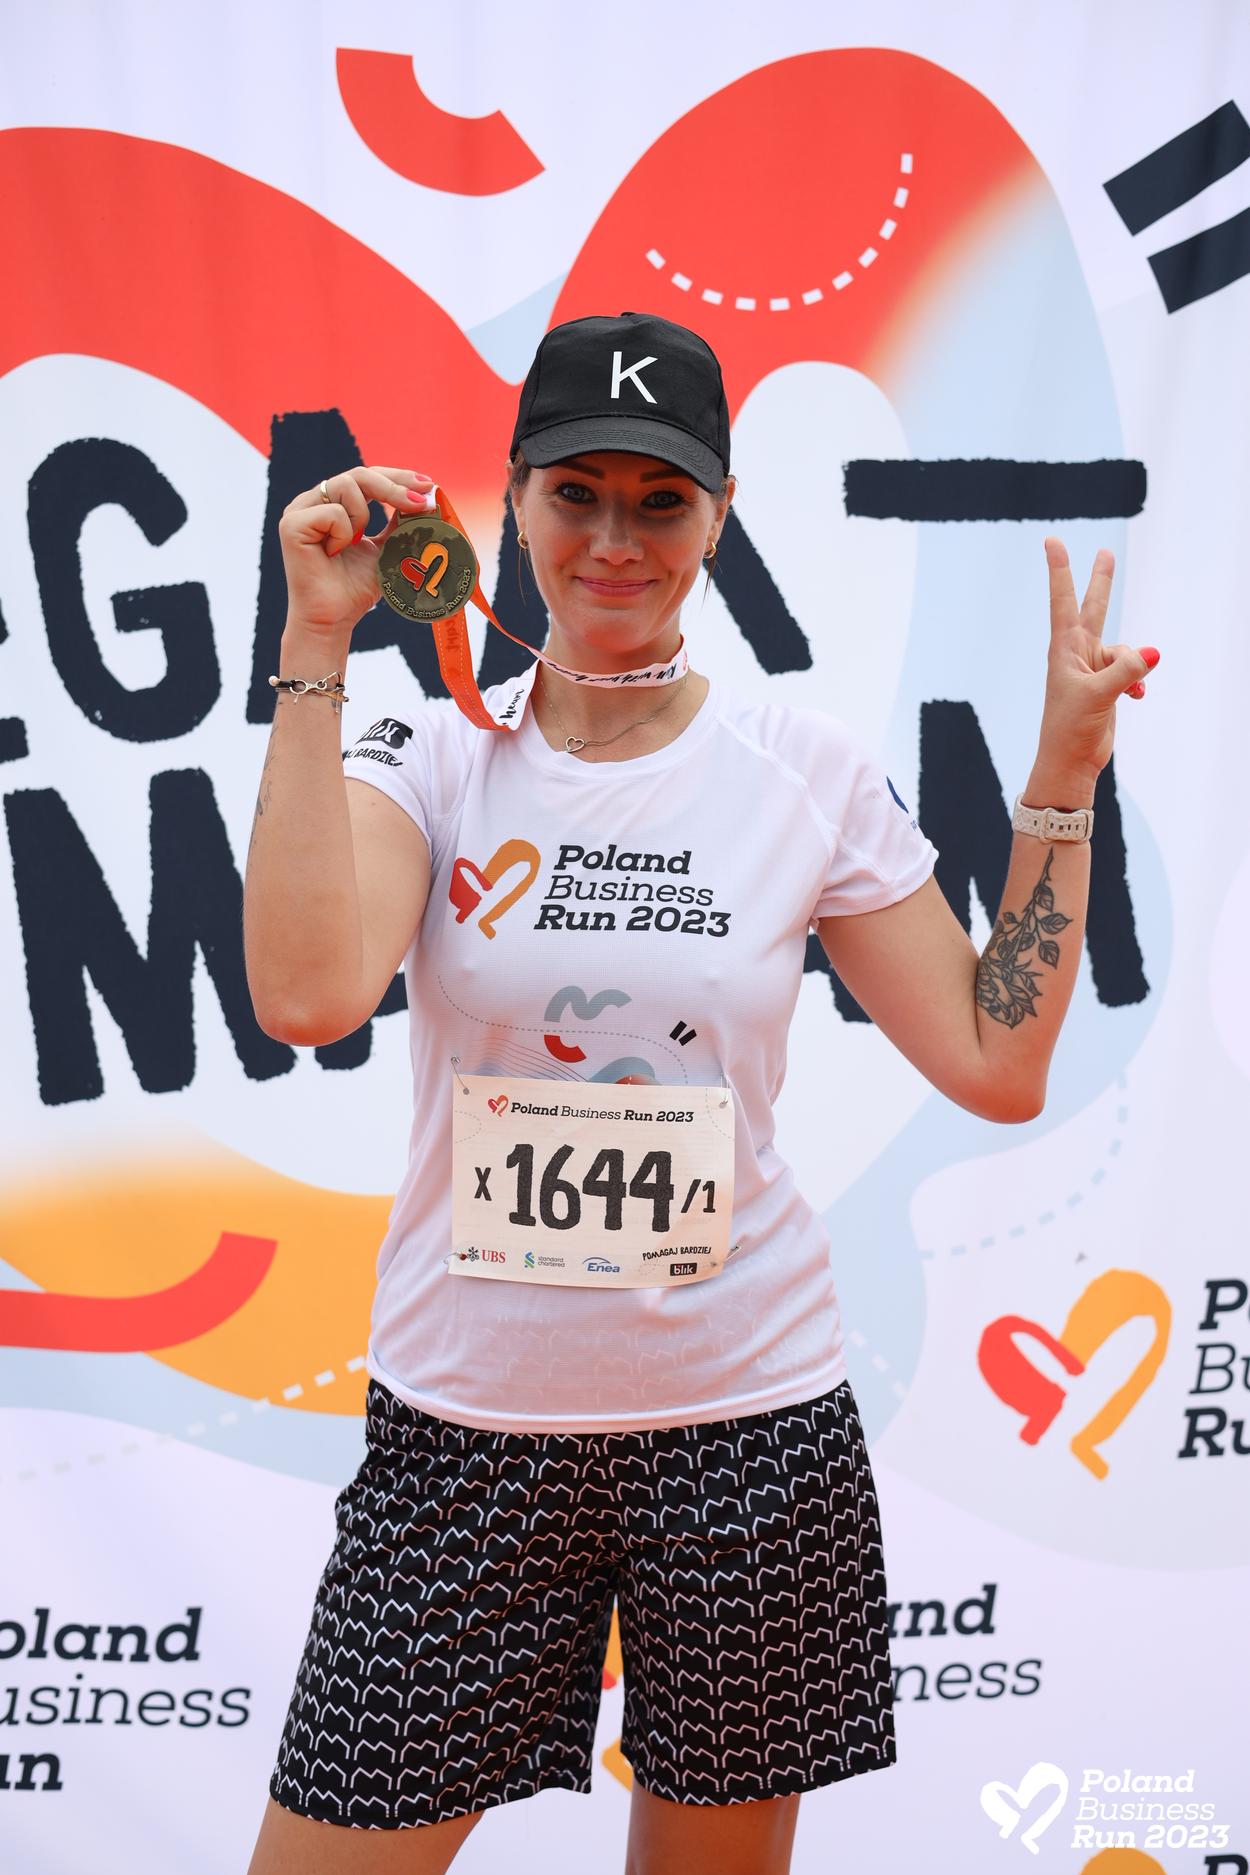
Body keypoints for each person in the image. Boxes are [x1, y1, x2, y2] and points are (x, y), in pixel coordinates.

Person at [242, 311, 1158, 1875]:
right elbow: (306, 994)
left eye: (659, 501)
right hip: (467, 1431)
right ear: (512, 499)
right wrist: (315, 644)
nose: (615, 540)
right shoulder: (428, 749)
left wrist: (1060, 776)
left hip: (747, 1430)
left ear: (718, 517)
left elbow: (995, 1063)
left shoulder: (801, 766)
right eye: (575, 494)